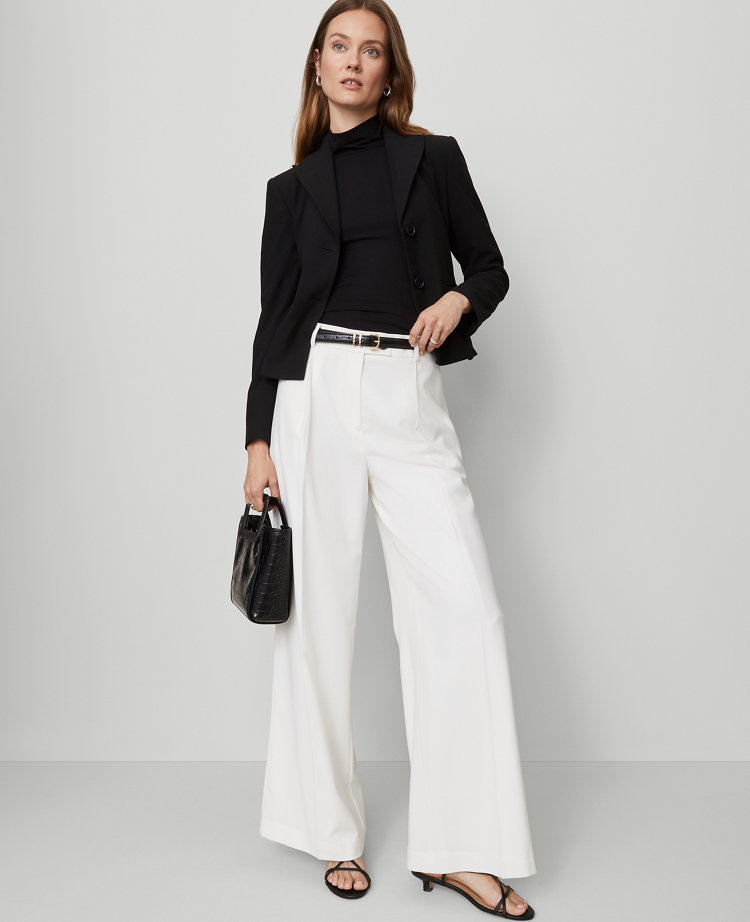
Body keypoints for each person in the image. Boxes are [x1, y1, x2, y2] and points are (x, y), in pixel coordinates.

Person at [243, 2, 536, 917]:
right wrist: (257, 441)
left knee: (466, 612)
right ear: (317, 64)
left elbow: (488, 267)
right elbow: (273, 323)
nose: (353, 62)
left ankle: (461, 847)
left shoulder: (432, 158)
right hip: (316, 391)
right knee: (318, 620)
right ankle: (333, 833)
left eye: (371, 50)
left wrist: (457, 302)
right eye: (339, 46)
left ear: (389, 71)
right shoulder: (289, 191)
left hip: (407, 387)